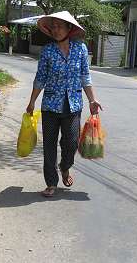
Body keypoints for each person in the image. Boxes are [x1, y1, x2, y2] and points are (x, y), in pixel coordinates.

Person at [26, 11, 102, 197]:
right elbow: (40, 78)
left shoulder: (81, 49)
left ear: (70, 28)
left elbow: (85, 76)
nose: (55, 29)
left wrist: (92, 99)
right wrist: (32, 101)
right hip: (50, 105)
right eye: (53, 26)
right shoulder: (47, 51)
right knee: (49, 146)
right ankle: (51, 182)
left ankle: (65, 166)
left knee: (71, 142)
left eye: (59, 25)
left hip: (73, 104)